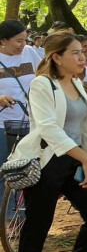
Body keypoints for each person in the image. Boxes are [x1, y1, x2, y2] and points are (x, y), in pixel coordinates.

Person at [10, 33, 87, 252]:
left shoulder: (77, 82)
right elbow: (49, 129)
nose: (82, 57)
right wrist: (85, 159)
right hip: (48, 163)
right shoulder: (42, 84)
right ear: (56, 57)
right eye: (75, 53)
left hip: (76, 160)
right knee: (38, 227)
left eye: (82, 52)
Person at [0, 20, 40, 171]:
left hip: (30, 121)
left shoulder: (29, 52)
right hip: (3, 126)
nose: (23, 44)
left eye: (25, 40)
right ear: (3, 40)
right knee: (5, 169)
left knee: (30, 169)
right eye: (18, 41)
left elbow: (44, 74)